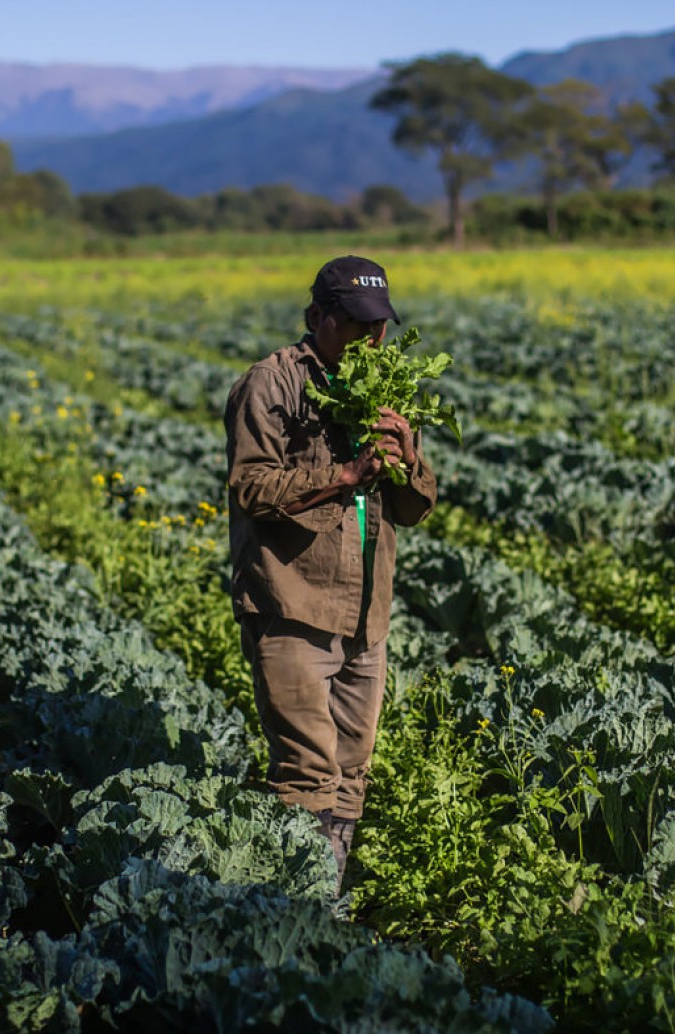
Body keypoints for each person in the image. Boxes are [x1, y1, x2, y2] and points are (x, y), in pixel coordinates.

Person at [224, 255, 436, 889]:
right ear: (318, 317)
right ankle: (295, 907)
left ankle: (328, 895)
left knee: (352, 768)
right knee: (307, 772)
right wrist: (344, 476)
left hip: (366, 612)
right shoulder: (272, 384)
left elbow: (414, 505)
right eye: (355, 326)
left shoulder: (387, 387)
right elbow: (250, 488)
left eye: (380, 328)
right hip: (293, 604)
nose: (372, 342)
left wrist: (404, 456)